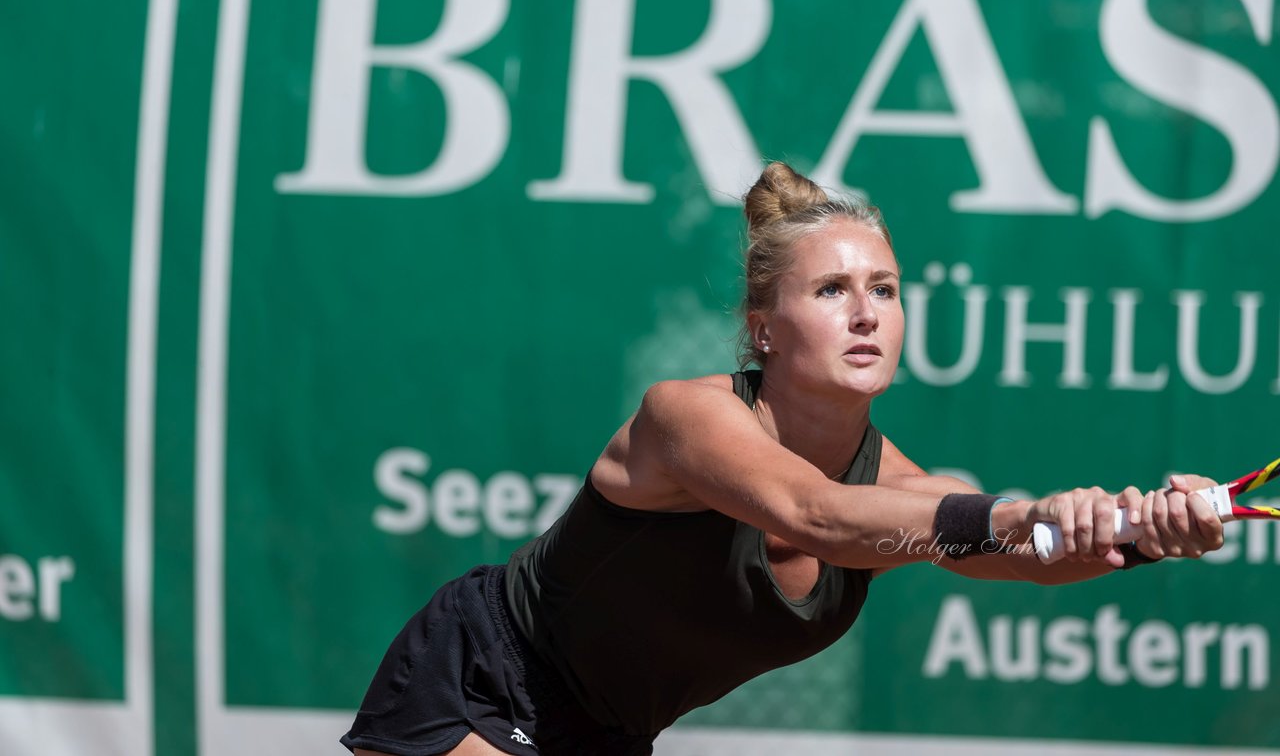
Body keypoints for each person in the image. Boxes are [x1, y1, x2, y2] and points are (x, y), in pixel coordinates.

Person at [342, 162, 1225, 756]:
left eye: (883, 290)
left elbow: (1025, 563)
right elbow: (816, 516)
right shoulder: (687, 416)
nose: (867, 313)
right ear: (764, 327)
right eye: (833, 290)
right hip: (486, 677)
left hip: (605, 734)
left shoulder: (910, 489)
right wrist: (1024, 514)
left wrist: (1142, 532)